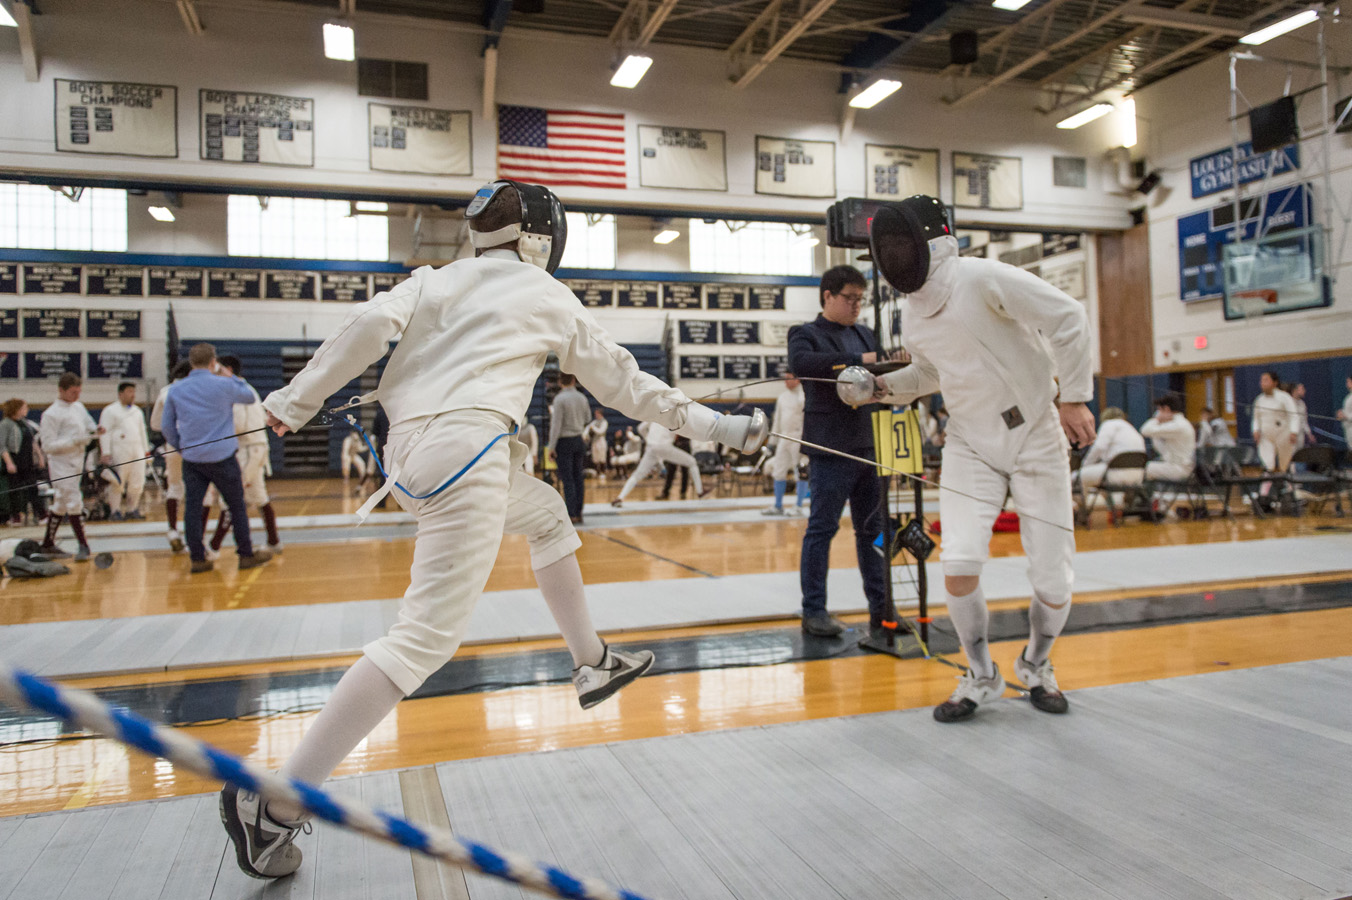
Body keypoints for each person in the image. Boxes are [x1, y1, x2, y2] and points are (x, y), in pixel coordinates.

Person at [222, 179, 766, 880]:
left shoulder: (433, 280)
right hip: (467, 455)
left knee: (544, 514)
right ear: (540, 238)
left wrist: (292, 402)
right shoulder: (545, 293)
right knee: (421, 641)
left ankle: (592, 659)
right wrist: (720, 426)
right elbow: (629, 386)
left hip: (411, 460)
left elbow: (364, 330)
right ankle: (276, 805)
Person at [867, 194, 1096, 721]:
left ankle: (1036, 665)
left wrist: (1075, 396)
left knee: (1053, 581)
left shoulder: (979, 277)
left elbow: (1068, 316)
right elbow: (929, 375)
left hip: (1037, 431)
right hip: (970, 442)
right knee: (959, 563)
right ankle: (981, 675)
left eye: (903, 242)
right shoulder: (913, 313)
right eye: (890, 246)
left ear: (930, 239)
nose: (896, 254)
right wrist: (879, 389)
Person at [787, 265, 895, 639]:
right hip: (830, 447)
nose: (856, 306)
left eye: (860, 300)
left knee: (874, 531)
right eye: (849, 298)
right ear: (827, 296)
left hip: (870, 444)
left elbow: (884, 370)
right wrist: (862, 361)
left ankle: (883, 609)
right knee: (822, 529)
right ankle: (813, 610)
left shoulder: (866, 333)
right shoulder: (806, 334)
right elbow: (804, 365)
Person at [161, 343, 273, 575]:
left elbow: (166, 427)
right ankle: (245, 554)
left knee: (192, 508)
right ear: (214, 362)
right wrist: (228, 375)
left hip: (192, 459)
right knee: (236, 506)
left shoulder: (176, 390)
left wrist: (181, 447)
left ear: (191, 363)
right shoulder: (223, 384)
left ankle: (198, 559)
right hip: (223, 457)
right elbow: (249, 397)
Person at [204, 355, 283, 556]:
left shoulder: (238, 391)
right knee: (258, 497)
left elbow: (237, 426)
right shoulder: (244, 389)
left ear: (228, 369)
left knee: (231, 498)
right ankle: (274, 542)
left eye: (219, 370)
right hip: (252, 450)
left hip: (248, 450)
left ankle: (213, 547)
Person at [37, 372, 98, 561]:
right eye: (73, 392)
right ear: (61, 390)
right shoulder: (50, 414)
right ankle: (83, 545)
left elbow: (89, 425)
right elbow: (47, 446)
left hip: (77, 462)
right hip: (60, 466)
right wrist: (75, 441)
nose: (77, 396)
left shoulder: (78, 407)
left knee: (61, 503)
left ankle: (47, 544)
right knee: (74, 501)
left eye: (79, 392)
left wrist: (96, 430)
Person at [612, 421, 711, 506]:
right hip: (665, 447)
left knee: (637, 474)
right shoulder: (675, 416)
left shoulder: (655, 414)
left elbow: (640, 428)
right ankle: (700, 492)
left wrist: (648, 439)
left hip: (651, 448)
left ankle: (620, 498)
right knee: (692, 462)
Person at [151, 360, 193, 552]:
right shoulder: (192, 390)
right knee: (200, 491)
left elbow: (155, 424)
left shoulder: (164, 391)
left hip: (172, 445)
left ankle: (173, 531)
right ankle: (195, 537)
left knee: (175, 487)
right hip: (194, 444)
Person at [98, 382, 150, 520]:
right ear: (120, 394)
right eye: (129, 391)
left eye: (133, 391)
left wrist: (146, 451)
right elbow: (104, 432)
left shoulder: (137, 411)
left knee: (137, 481)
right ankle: (115, 511)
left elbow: (142, 432)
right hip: (119, 450)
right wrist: (106, 452)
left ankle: (132, 509)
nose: (132, 395)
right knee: (117, 482)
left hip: (137, 449)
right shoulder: (110, 410)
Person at [548, 372, 590, 524]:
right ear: (574, 380)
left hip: (564, 441)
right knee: (578, 477)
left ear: (560, 382)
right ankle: (579, 513)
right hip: (579, 440)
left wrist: (551, 447)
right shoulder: (582, 398)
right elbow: (587, 419)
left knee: (568, 479)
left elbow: (556, 425)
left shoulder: (559, 399)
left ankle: (571, 513)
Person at [763, 372, 807, 516]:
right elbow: (777, 421)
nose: (786, 382)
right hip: (783, 437)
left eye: (789, 379)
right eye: (785, 379)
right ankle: (778, 505)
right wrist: (772, 443)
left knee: (799, 472)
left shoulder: (804, 395)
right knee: (778, 470)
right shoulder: (782, 397)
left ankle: (799, 506)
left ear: (797, 379)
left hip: (798, 438)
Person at [1075, 407, 1145, 489]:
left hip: (1115, 473)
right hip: (1138, 475)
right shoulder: (1131, 428)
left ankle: (1087, 501)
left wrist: (1085, 465)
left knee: (1077, 476)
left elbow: (1098, 447)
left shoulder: (1108, 424)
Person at [1140, 394, 1196, 483]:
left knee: (1138, 469)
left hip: (1179, 469)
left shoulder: (1177, 425)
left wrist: (1156, 419)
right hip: (1177, 466)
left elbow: (1145, 430)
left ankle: (1139, 496)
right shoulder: (1181, 423)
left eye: (1159, 410)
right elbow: (1161, 449)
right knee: (1145, 467)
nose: (1157, 413)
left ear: (1166, 409)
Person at [1251, 371, 1299, 475]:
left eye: (1266, 380)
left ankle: (1290, 488)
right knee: (1267, 465)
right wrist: (1255, 430)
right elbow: (1256, 418)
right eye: (1261, 381)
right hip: (1266, 436)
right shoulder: (1259, 400)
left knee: (1285, 464)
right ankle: (1264, 490)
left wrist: (1294, 431)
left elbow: (1294, 415)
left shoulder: (1284, 397)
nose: (1262, 383)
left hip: (1283, 434)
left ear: (1274, 382)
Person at [583, 407, 609, 477]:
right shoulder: (594, 422)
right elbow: (587, 428)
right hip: (594, 441)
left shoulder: (604, 422)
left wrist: (593, 428)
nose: (595, 415)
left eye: (597, 414)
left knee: (602, 457)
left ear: (600, 414)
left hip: (601, 441)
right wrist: (585, 436)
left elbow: (601, 431)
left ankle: (603, 472)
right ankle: (598, 472)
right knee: (595, 458)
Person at [1338, 375, 1352, 448]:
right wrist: (1342, 413)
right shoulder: (1349, 397)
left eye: (1348, 381)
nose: (1347, 383)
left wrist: (1345, 416)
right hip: (1348, 429)